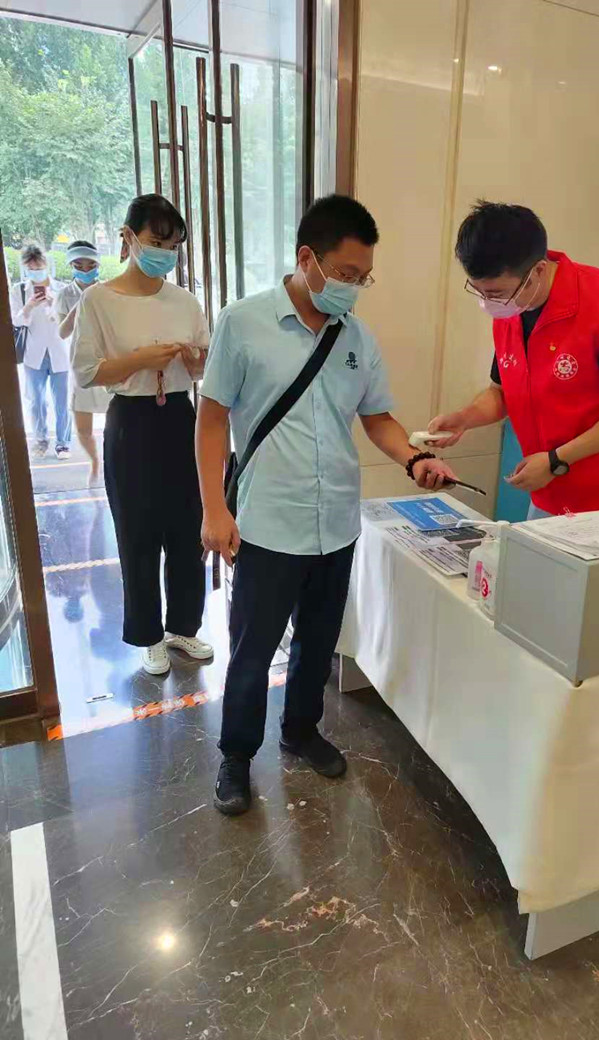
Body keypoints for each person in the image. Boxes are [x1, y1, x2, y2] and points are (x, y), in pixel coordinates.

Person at [197, 193, 458, 816]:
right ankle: (237, 756)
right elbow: (211, 421)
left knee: (318, 642)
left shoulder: (356, 337)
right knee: (253, 651)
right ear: (306, 258)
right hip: (268, 523)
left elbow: (378, 417)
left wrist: (413, 459)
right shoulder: (243, 323)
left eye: (363, 277)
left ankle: (300, 730)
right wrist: (213, 509)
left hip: (337, 522)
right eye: (345, 273)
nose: (353, 287)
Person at [429, 202, 599, 519]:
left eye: (496, 293)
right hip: (550, 489)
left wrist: (556, 460)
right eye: (479, 291)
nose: (489, 302)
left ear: (538, 270)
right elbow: (501, 393)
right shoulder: (513, 308)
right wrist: (465, 418)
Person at [71, 194, 213, 676]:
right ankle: (148, 635)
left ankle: (184, 627)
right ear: (129, 237)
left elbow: (204, 365)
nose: (165, 254)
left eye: (173, 247)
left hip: (180, 417)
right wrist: (139, 360)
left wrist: (195, 362)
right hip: (130, 421)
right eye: (157, 242)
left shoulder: (184, 301)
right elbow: (87, 371)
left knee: (188, 528)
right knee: (137, 533)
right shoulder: (99, 299)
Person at [56, 240, 110, 484]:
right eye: (79, 265)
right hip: (80, 364)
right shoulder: (65, 295)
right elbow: (62, 332)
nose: (86, 270)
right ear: (71, 266)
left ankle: (110, 462)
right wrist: (81, 303)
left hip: (108, 361)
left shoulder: (108, 290)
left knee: (115, 420)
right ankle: (94, 461)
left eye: (91, 265)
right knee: (83, 428)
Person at [10, 244, 71, 459]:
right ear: (25, 268)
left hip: (59, 353)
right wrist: (28, 307)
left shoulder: (61, 289)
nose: (36, 272)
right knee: (36, 401)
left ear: (46, 265)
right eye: (31, 268)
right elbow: (16, 321)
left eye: (39, 267)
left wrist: (54, 304)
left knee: (62, 402)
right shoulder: (19, 290)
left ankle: (63, 444)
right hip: (33, 354)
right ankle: (40, 440)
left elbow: (69, 321)